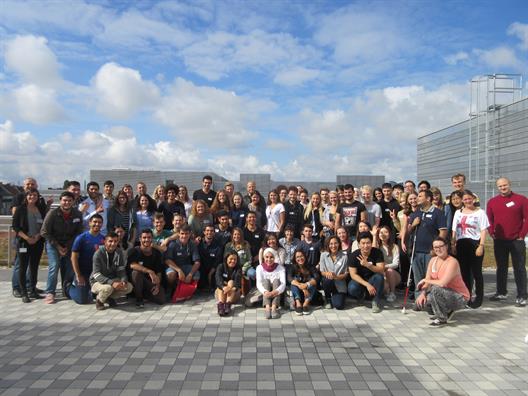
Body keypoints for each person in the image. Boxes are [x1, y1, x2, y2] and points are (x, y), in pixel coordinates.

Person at [486, 177, 528, 306]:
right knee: (501, 268)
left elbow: (527, 219)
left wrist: (522, 235)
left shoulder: (521, 200)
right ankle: (501, 292)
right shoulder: (492, 202)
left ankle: (522, 295)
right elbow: (489, 220)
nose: (503, 188)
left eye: (505, 185)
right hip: (500, 241)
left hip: (517, 240)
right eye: (500, 186)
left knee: (519, 268)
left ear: (509, 185)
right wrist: (491, 232)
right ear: (497, 187)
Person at [415, 237, 470, 326]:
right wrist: (422, 294)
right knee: (422, 303)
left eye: (441, 246)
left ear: (447, 246)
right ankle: (446, 310)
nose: (438, 249)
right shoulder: (432, 260)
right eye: (435, 247)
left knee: (435, 289)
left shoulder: (452, 262)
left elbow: (442, 283)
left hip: (460, 297)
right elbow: (428, 281)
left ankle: (441, 318)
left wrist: (425, 280)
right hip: (444, 292)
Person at [41, 191, 84, 304]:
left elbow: (78, 232)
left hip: (69, 244)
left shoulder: (77, 214)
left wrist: (68, 246)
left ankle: (66, 290)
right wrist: (58, 246)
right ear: (60, 201)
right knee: (54, 266)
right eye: (64, 200)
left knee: (70, 267)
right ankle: (50, 292)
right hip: (53, 244)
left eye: (69, 200)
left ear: (73, 202)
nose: (67, 203)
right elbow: (44, 232)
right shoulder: (52, 213)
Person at [451, 190, 489, 309]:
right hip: (462, 244)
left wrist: (481, 246)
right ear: (462, 200)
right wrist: (453, 245)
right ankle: (467, 297)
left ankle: (479, 298)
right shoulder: (458, 212)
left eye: (469, 198)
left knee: (477, 272)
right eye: (465, 199)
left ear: (473, 198)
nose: (467, 201)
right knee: (464, 273)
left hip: (475, 244)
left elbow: (483, 230)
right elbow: (454, 230)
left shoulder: (480, 212)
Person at [408, 190, 448, 303]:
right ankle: (418, 301)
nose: (417, 198)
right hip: (416, 251)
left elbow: (443, 232)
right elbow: (407, 232)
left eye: (420, 196)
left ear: (428, 199)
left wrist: (437, 249)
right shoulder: (416, 213)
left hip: (430, 252)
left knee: (431, 278)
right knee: (418, 278)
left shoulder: (438, 213)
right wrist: (413, 224)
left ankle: (430, 301)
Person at [12, 188, 47, 302]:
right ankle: (24, 293)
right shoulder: (20, 209)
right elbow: (15, 227)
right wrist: (27, 238)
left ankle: (32, 290)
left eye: (35, 195)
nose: (32, 197)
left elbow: (44, 225)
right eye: (30, 195)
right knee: (23, 267)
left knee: (34, 267)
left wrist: (37, 237)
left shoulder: (40, 209)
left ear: (38, 197)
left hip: (37, 242)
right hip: (24, 243)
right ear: (26, 196)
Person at [90, 231, 133, 310]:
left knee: (128, 287)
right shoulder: (98, 253)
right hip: (97, 281)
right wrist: (112, 283)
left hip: (112, 279)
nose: (113, 244)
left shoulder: (119, 252)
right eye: (110, 241)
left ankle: (108, 297)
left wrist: (123, 280)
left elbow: (121, 270)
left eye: (115, 241)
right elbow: (96, 274)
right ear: (105, 242)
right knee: (108, 288)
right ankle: (99, 301)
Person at [68, 215, 105, 304]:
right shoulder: (81, 238)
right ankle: (68, 288)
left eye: (99, 222)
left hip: (96, 273)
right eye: (94, 222)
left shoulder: (103, 239)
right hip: (82, 272)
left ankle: (89, 290)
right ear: (89, 223)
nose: (97, 224)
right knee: (82, 300)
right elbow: (73, 258)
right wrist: (78, 275)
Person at [127, 229, 167, 308]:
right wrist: (149, 271)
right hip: (136, 281)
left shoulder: (156, 253)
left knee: (161, 300)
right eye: (144, 237)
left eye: (149, 237)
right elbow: (132, 265)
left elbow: (159, 272)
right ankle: (139, 298)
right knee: (136, 273)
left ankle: (145, 294)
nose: (147, 240)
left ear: (152, 239)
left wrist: (157, 285)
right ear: (140, 239)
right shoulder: (134, 251)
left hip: (149, 282)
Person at [348, 232, 385, 313]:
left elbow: (381, 269)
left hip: (373, 279)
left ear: (371, 243)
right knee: (352, 288)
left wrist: (368, 265)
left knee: (379, 277)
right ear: (358, 244)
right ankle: (362, 296)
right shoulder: (354, 255)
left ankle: (376, 301)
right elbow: (353, 275)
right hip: (360, 281)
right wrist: (367, 284)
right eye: (363, 243)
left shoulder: (377, 253)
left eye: (368, 243)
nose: (365, 246)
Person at [164, 225, 201, 292]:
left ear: (190, 234)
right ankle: (173, 290)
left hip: (185, 266)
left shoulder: (192, 244)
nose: (184, 236)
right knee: (171, 275)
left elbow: (197, 262)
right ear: (178, 234)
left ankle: (187, 291)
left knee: (196, 275)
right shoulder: (173, 244)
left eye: (186, 233)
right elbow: (167, 260)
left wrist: (190, 274)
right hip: (174, 266)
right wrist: (179, 271)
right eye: (182, 233)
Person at [319, 236, 348, 310]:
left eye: (336, 243)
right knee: (327, 280)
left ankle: (336, 296)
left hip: (339, 283)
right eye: (331, 244)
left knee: (339, 306)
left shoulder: (344, 256)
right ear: (328, 245)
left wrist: (337, 277)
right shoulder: (323, 255)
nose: (333, 246)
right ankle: (328, 299)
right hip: (328, 281)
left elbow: (346, 274)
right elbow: (322, 271)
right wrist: (327, 274)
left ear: (339, 244)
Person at [256, 248, 286, 319]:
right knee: (266, 281)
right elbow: (259, 283)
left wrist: (275, 292)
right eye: (267, 257)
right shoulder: (259, 268)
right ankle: (267, 308)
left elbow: (283, 284)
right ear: (263, 257)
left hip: (276, 290)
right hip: (265, 290)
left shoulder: (280, 268)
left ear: (274, 258)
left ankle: (274, 308)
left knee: (276, 281)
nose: (269, 259)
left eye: (271, 257)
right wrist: (265, 292)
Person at [290, 250, 319, 315]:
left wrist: (306, 285)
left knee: (312, 281)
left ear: (305, 257)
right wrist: (303, 288)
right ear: (295, 259)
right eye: (297, 257)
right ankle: (298, 304)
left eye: (301, 256)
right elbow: (289, 279)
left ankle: (305, 304)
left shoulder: (310, 266)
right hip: (297, 292)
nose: (300, 258)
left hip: (309, 293)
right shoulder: (293, 267)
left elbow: (317, 278)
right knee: (294, 282)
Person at [378, 225, 401, 303]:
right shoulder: (377, 246)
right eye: (381, 232)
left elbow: (395, 264)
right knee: (384, 288)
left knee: (389, 270)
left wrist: (385, 266)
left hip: (392, 274)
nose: (383, 234)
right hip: (381, 274)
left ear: (390, 234)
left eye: (386, 232)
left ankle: (392, 293)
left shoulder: (395, 247)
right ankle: (387, 290)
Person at [215, 252, 242, 316]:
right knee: (221, 286)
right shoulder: (220, 266)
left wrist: (230, 288)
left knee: (231, 282)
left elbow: (237, 282)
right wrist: (224, 287)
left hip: (234, 294)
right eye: (231, 259)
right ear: (226, 259)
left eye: (235, 259)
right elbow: (218, 279)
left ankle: (228, 305)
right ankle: (221, 307)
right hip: (221, 293)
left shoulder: (238, 268)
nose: (233, 261)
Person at [198, 225, 224, 290]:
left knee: (216, 284)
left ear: (214, 233)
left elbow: (218, 260)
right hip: (202, 268)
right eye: (207, 230)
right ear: (204, 232)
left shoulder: (218, 245)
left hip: (213, 268)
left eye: (212, 231)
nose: (209, 232)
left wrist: (210, 273)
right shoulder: (198, 243)